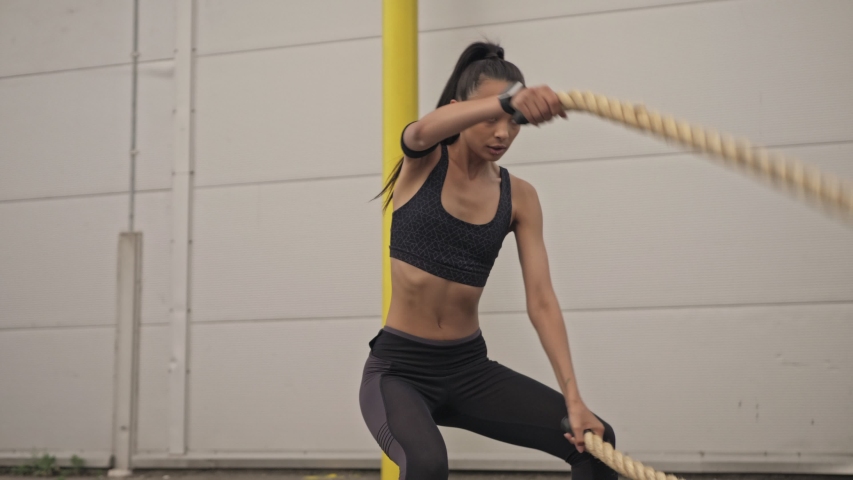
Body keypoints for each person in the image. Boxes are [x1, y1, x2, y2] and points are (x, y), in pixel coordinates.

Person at [360, 41, 617, 480]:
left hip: (469, 371)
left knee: (596, 442)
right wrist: (507, 101)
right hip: (399, 372)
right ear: (461, 111)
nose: (502, 133)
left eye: (514, 122)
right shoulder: (424, 162)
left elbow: (542, 301)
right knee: (426, 464)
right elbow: (420, 131)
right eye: (491, 118)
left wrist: (575, 401)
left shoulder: (520, 197)